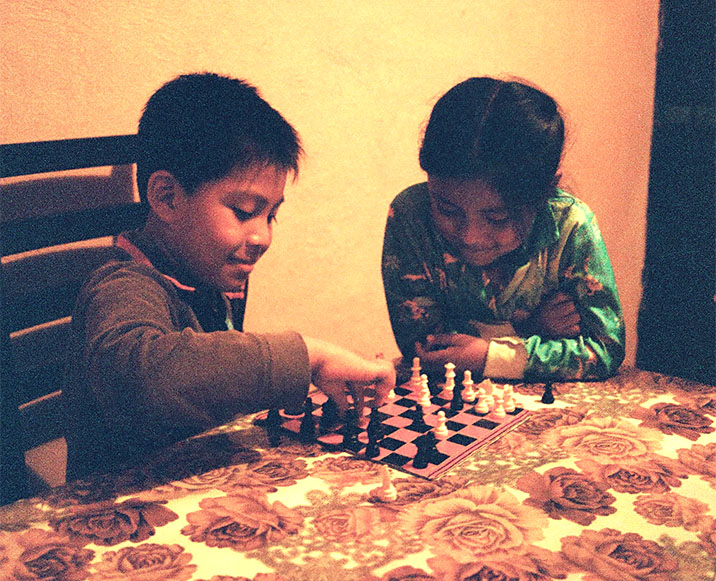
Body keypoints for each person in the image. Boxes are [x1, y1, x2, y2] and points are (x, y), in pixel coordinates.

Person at [63, 73, 394, 479]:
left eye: (271, 215)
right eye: (244, 212)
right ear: (167, 197)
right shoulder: (121, 285)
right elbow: (142, 380)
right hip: (113, 501)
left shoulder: (209, 275)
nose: (263, 237)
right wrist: (308, 356)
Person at [381, 77, 625, 383]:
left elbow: (604, 349)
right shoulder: (411, 215)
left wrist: (487, 354)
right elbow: (424, 349)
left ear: (547, 191)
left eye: (498, 218)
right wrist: (527, 329)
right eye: (447, 210)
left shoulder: (571, 225)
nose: (470, 237)